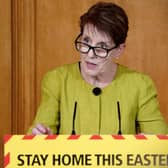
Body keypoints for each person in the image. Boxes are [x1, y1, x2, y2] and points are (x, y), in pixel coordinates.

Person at [28, 1, 168, 135]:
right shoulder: (56, 80)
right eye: (86, 41)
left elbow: (161, 144)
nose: (90, 54)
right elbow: (38, 135)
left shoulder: (140, 85)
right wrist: (41, 137)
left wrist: (150, 144)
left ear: (119, 50)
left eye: (102, 47)